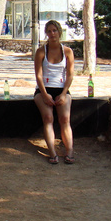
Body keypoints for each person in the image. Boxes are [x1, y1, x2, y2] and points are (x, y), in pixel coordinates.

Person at [33, 20, 75, 164]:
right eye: (49, 31)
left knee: (64, 118)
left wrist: (63, 93)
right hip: (43, 89)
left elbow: (70, 75)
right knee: (48, 117)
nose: (52, 34)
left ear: (59, 32)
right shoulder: (41, 51)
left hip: (61, 88)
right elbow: (38, 75)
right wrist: (44, 94)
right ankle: (52, 152)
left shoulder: (67, 51)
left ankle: (69, 151)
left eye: (54, 30)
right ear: (46, 33)